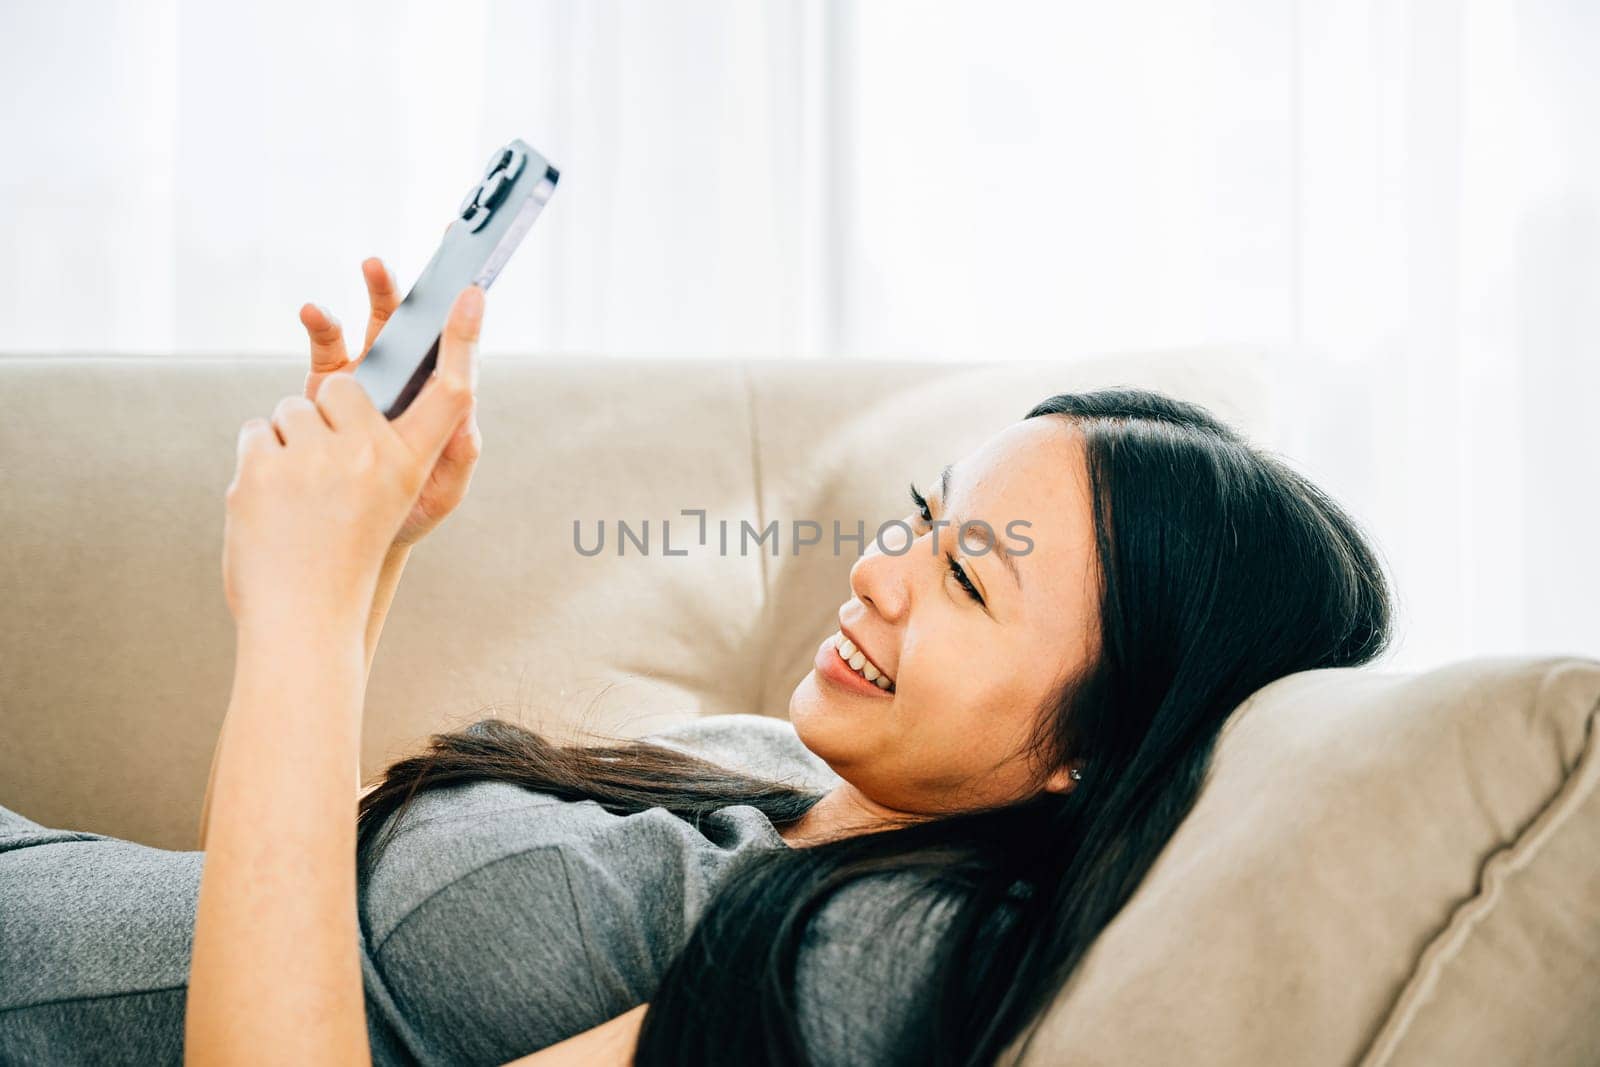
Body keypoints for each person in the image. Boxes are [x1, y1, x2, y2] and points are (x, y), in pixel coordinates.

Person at [0, 258, 1395, 1066]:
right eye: (920, 517)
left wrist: (298, 608)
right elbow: (276, 895)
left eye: (967, 575)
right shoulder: (802, 770)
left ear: (1107, 738)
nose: (880, 569)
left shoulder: (868, 961)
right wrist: (367, 557)